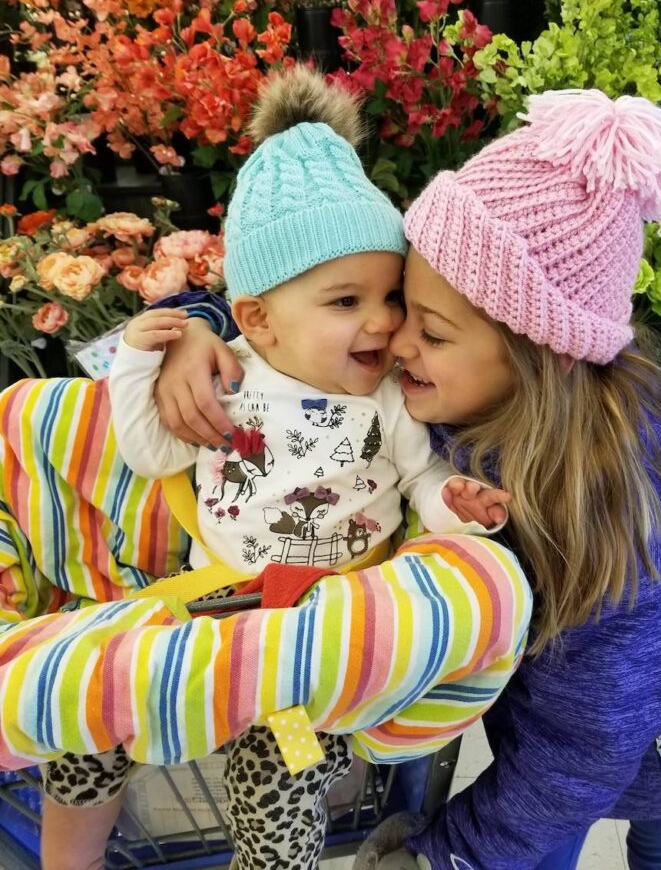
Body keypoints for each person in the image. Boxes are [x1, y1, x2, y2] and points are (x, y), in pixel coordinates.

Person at [153, 88, 661, 870]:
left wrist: (449, 854)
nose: (393, 340)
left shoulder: (618, 553)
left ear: (542, 356)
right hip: (548, 731)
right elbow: (301, 305)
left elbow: (571, 766)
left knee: (658, 852)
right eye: (405, 304)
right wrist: (197, 330)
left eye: (428, 329)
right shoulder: (465, 396)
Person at [38, 67, 509, 870]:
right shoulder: (229, 374)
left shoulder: (391, 400)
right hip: (199, 615)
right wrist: (135, 364)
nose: (383, 322)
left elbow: (422, 483)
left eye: (390, 295)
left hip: (315, 637)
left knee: (280, 772)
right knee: (84, 722)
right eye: (345, 302)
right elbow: (152, 455)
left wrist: (452, 503)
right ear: (257, 316)